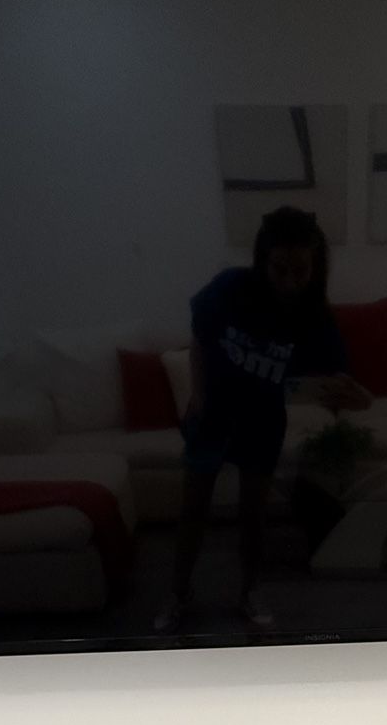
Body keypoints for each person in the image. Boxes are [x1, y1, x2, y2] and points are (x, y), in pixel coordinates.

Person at [157, 207, 372, 632]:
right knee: (193, 509)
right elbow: (200, 340)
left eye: (300, 270)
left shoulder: (316, 320)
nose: (290, 281)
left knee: (253, 513)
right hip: (214, 414)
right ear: (262, 260)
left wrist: (358, 396)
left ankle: (249, 592)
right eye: (279, 269)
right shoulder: (229, 289)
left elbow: (346, 391)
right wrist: (197, 393)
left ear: (315, 266)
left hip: (261, 422)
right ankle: (178, 592)